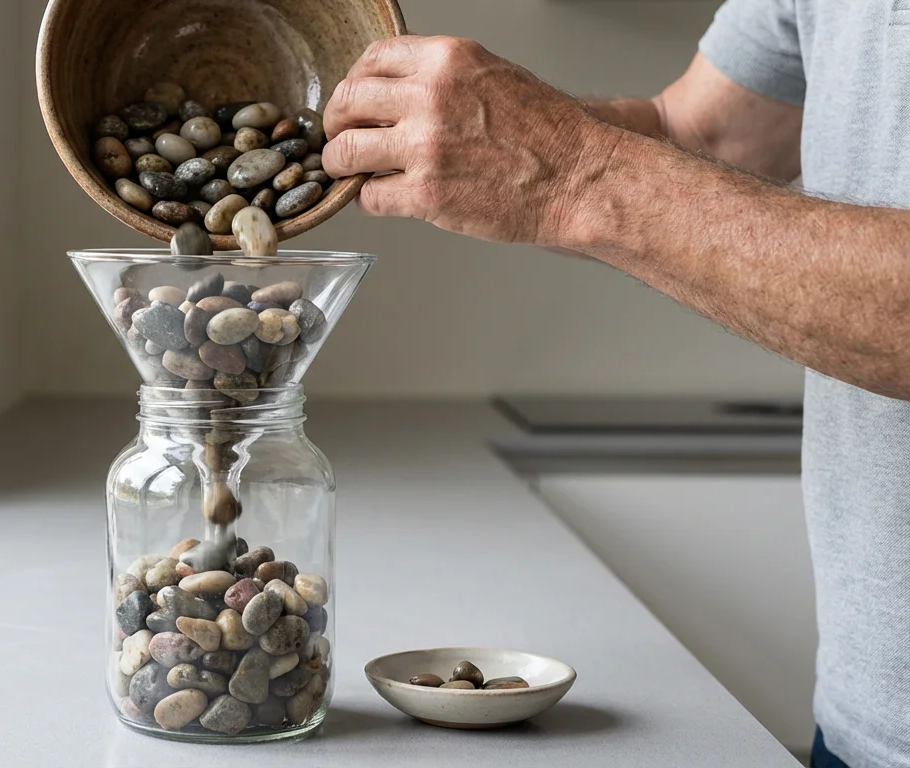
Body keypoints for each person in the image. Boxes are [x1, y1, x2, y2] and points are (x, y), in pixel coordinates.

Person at [321, 4, 909, 768]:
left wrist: (573, 170)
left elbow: (601, 168)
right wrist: (476, 146)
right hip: (860, 725)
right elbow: (699, 135)